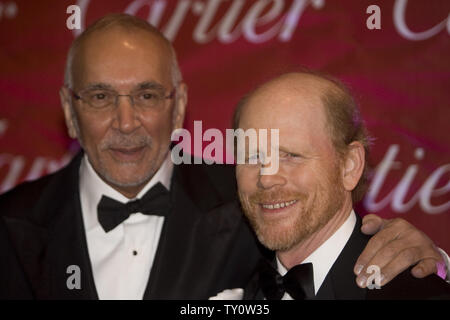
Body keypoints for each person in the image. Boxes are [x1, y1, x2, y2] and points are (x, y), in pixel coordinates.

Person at [0, 14, 447, 300]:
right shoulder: (9, 226)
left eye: (148, 94)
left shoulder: (246, 203)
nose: (126, 121)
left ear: (178, 107)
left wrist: (433, 262)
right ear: (69, 111)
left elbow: (326, 237)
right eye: (100, 96)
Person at [232, 71, 450, 299]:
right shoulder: (229, 276)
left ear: (350, 166)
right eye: (251, 157)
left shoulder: (416, 293)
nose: (266, 178)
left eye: (291, 155)